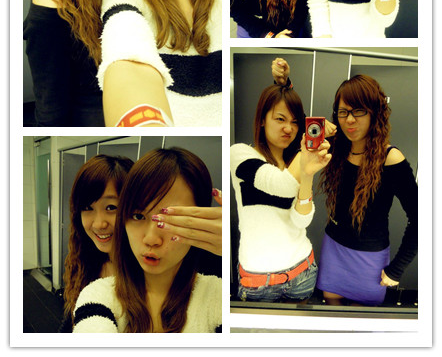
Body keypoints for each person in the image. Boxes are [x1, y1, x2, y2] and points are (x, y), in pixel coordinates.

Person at [72, 147, 222, 333]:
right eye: (138, 216)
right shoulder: (98, 291)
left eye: (171, 219)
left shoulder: (215, 295)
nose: (151, 239)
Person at [316, 75, 418, 306]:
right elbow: (294, 136)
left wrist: (397, 268)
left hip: (369, 258)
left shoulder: (391, 158)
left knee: (361, 321)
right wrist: (285, 85)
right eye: (343, 112)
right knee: (331, 312)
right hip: (334, 248)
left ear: (374, 112)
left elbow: (421, 218)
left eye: (359, 111)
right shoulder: (336, 149)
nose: (350, 119)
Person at [230, 83, 331, 302]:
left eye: (295, 122)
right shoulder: (240, 154)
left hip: (302, 273)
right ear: (262, 120)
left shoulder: (296, 164)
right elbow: (280, 185)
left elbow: (301, 220)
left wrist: (307, 174)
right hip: (257, 283)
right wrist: (308, 149)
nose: (288, 129)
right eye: (280, 119)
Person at [61, 154, 134, 332]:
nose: (99, 224)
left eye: (111, 207)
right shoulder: (85, 261)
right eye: (88, 208)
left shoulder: (150, 271)